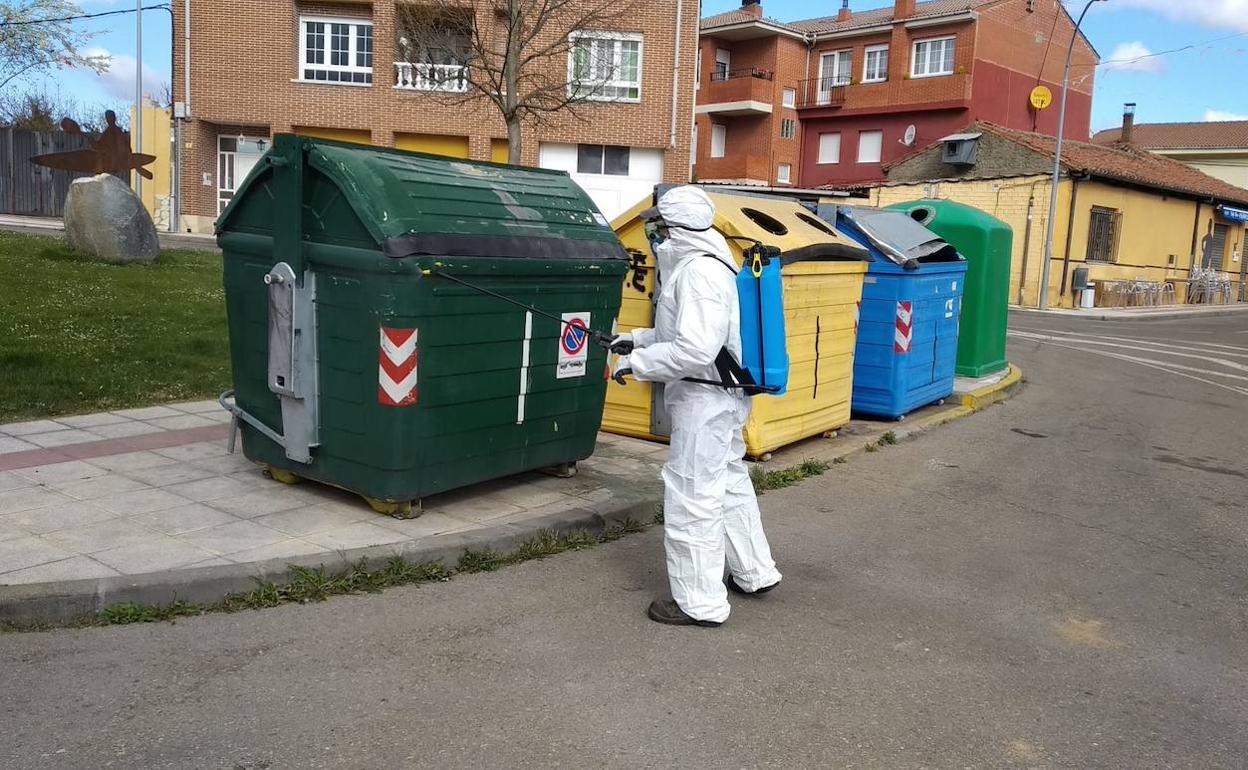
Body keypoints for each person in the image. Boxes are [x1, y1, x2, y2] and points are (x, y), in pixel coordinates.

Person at [612, 186, 782, 627]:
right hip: (720, 396)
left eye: (659, 227)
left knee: (692, 495)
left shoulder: (698, 273)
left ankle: (699, 602)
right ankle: (754, 572)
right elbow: (687, 333)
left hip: (705, 402)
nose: (655, 235)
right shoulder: (709, 262)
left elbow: (694, 349)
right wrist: (637, 339)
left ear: (677, 228)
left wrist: (637, 364)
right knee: (728, 483)